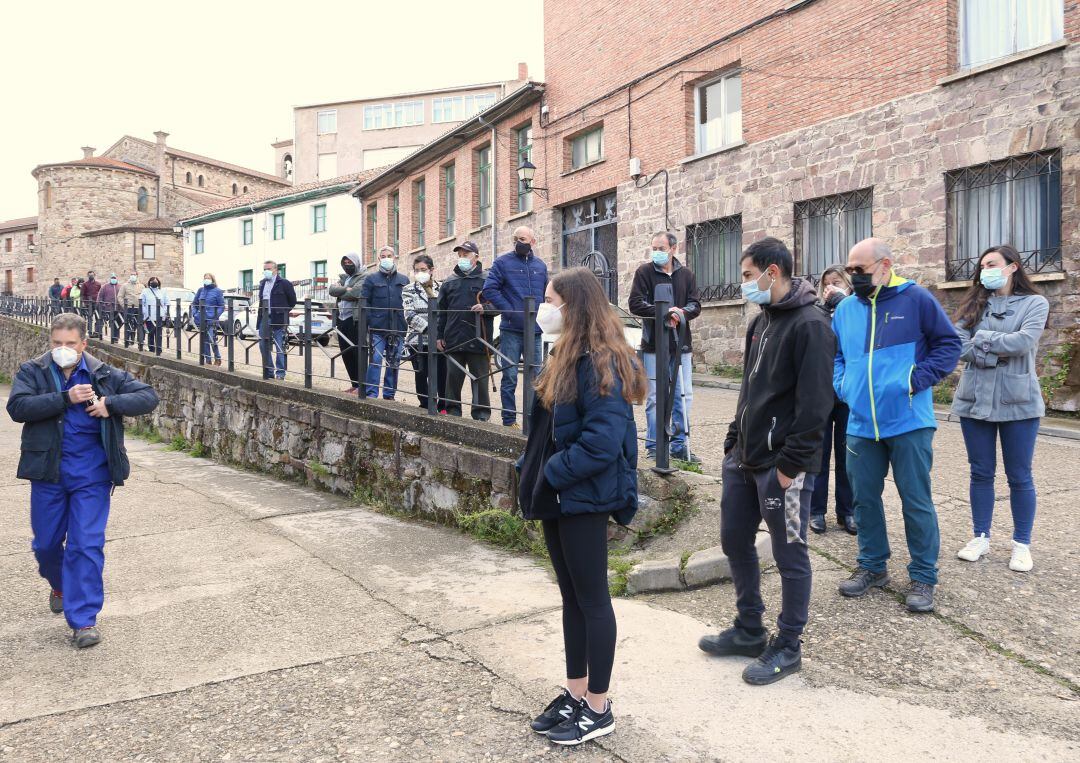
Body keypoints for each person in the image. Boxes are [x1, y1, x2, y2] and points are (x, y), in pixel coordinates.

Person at [517, 267, 646, 746]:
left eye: (549, 299)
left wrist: (550, 473)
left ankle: (599, 705)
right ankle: (575, 693)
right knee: (572, 598)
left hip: (582, 497)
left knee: (593, 600)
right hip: (557, 496)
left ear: (572, 305)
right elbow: (548, 431)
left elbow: (602, 443)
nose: (542, 308)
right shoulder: (565, 356)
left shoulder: (602, 362)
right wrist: (528, 470)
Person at [698, 237, 834, 685]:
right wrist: (733, 441)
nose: (744, 284)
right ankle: (749, 628)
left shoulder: (811, 325)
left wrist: (789, 467)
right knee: (734, 540)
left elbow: (817, 406)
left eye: (746, 274)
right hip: (744, 460)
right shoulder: (761, 322)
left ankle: (788, 644)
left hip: (785, 469)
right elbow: (749, 388)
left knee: (790, 554)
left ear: (771, 272)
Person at [6, 313, 159, 648]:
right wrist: (65, 398)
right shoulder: (33, 370)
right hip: (48, 472)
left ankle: (84, 620)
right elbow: (17, 407)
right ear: (51, 342)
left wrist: (109, 404)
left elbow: (148, 396)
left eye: (70, 344)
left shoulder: (103, 373)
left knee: (85, 545)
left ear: (83, 344)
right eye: (57, 343)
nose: (62, 349)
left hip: (92, 475)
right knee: (45, 545)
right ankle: (60, 585)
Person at [833, 238, 961, 613]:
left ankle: (923, 575)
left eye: (861, 270)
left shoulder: (916, 299)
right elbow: (837, 356)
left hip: (908, 421)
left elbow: (948, 345)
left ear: (885, 265)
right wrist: (843, 386)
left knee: (915, 500)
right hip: (860, 423)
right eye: (850, 270)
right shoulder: (845, 310)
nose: (854, 277)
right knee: (864, 500)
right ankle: (872, 566)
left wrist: (914, 380)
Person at [952, 245, 1048, 572]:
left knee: (1019, 475)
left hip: (1018, 401)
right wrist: (994, 351)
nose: (984, 270)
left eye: (991, 264)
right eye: (981, 266)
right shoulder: (973, 305)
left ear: (1012, 267)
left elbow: (1024, 342)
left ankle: (1022, 543)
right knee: (980, 472)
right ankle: (980, 536)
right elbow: (956, 344)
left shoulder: (1036, 303)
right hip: (974, 399)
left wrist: (981, 339)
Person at [628, 231, 702, 463]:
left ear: (673, 248)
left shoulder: (686, 275)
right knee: (654, 397)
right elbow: (635, 303)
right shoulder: (644, 272)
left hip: (680, 345)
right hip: (653, 345)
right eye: (654, 248)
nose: (657, 252)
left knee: (681, 395)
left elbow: (695, 304)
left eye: (661, 247)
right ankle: (654, 445)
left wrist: (680, 314)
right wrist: (663, 312)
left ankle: (680, 446)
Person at [483, 226, 548, 428]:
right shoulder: (502, 262)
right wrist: (509, 310)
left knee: (535, 378)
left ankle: (532, 420)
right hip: (511, 330)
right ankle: (509, 420)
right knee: (509, 376)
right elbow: (489, 289)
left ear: (533, 242)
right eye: (516, 239)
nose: (519, 242)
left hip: (535, 331)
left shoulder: (540, 266)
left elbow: (547, 292)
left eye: (523, 238)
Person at [809, 264, 856, 536]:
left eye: (836, 282)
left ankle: (847, 512)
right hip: (822, 392)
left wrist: (845, 304)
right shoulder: (818, 313)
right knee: (819, 454)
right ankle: (816, 511)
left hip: (848, 393)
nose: (829, 288)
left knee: (847, 456)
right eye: (826, 283)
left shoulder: (857, 311)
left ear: (848, 284)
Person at [437, 242, 494, 420]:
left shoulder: (488, 279)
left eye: (466, 254)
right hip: (454, 339)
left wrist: (486, 308)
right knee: (452, 380)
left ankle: (481, 415)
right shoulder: (449, 281)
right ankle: (453, 413)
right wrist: (439, 336)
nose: (462, 258)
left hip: (480, 339)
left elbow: (500, 304)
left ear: (476, 256)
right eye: (460, 255)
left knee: (480, 380)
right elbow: (441, 312)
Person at [360, 246, 408, 399]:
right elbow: (364, 303)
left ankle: (389, 394)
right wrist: (370, 322)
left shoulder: (403, 279)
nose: (387, 258)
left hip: (398, 327)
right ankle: (371, 393)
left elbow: (408, 303)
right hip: (378, 328)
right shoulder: (371, 279)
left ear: (394, 257)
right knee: (375, 360)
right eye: (383, 256)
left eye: (389, 255)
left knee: (394, 362)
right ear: (379, 259)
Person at [403, 254, 446, 411]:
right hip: (418, 339)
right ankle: (426, 404)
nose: (420, 272)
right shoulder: (409, 289)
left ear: (432, 270)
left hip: (440, 340)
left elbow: (445, 312)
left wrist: (440, 332)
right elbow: (409, 315)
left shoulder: (442, 288)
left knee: (442, 373)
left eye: (423, 269)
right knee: (422, 373)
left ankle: (443, 405)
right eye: (416, 270)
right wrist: (430, 329)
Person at [328, 253, 366, 394]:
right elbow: (331, 290)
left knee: (357, 352)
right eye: (345, 262)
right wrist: (345, 289)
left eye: (350, 262)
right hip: (342, 319)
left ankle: (362, 386)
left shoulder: (364, 276)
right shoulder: (344, 278)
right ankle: (354, 383)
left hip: (354, 320)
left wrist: (342, 291)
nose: (347, 265)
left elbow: (356, 293)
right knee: (346, 352)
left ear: (356, 262)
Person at [257, 260, 297, 381]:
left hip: (279, 318)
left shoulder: (284, 283)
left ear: (275, 270)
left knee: (279, 345)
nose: (266, 271)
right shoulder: (262, 283)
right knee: (263, 344)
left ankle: (280, 373)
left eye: (269, 269)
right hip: (265, 317)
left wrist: (283, 312)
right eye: (265, 269)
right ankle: (269, 370)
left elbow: (292, 301)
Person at [193, 272, 225, 366]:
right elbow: (194, 303)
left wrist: (215, 315)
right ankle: (208, 360)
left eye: (208, 278)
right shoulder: (200, 290)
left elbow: (221, 306)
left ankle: (217, 358)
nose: (206, 279)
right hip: (201, 319)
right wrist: (195, 313)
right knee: (204, 340)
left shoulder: (217, 291)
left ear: (212, 280)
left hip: (211, 319)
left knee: (211, 339)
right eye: (205, 278)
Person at [116, 272, 143, 348]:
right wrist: (124, 306)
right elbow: (120, 296)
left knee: (138, 325)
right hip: (129, 308)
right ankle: (127, 340)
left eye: (134, 275)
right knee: (128, 324)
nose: (133, 276)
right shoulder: (125, 286)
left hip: (138, 308)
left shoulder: (141, 286)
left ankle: (139, 342)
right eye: (132, 274)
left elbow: (143, 296)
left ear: (137, 276)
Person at [140, 277, 166, 354]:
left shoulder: (162, 292)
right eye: (152, 281)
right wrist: (145, 313)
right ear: (149, 282)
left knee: (159, 334)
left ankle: (159, 349)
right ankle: (151, 349)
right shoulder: (145, 291)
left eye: (155, 281)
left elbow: (166, 303)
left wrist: (164, 313)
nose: (154, 282)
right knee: (151, 333)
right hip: (149, 316)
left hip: (159, 316)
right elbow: (142, 302)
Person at [96, 273, 121, 341]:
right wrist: (101, 305)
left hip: (118, 309)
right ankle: (101, 335)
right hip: (108, 308)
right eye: (112, 278)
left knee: (117, 324)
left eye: (114, 278)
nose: (113, 279)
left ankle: (116, 338)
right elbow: (100, 296)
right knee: (108, 323)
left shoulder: (120, 287)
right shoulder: (105, 287)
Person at [82, 270, 101, 336]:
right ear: (88, 276)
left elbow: (99, 293)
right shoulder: (85, 284)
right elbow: (82, 294)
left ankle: (97, 332)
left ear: (94, 275)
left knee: (98, 317)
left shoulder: (98, 284)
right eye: (90, 275)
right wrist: (85, 302)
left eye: (92, 275)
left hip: (97, 303)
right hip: (89, 303)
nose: (91, 276)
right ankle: (90, 331)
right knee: (90, 317)